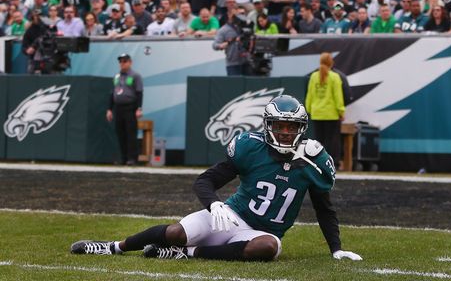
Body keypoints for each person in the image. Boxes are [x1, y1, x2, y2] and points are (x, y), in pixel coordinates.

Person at [72, 95, 362, 263]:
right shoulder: (251, 147)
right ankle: (113, 246)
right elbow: (205, 181)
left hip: (260, 233)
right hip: (230, 217)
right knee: (175, 232)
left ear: (302, 128)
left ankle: (188, 254)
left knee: (268, 249)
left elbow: (324, 208)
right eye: (280, 126)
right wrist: (214, 205)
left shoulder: (312, 160)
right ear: (268, 125)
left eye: (292, 127)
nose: (286, 132)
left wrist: (336, 248)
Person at [305, 53, 345, 169]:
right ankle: (333, 163)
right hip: (331, 113)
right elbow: (338, 96)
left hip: (317, 113)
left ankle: (318, 162)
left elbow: (310, 94)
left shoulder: (313, 76)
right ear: (331, 62)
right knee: (332, 141)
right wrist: (341, 111)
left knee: (318, 140)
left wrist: (309, 109)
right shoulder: (334, 77)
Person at [107, 54, 143, 165]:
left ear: (130, 62)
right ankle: (123, 158)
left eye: (124, 61)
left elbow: (139, 93)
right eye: (120, 61)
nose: (122, 63)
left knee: (130, 134)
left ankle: (132, 159)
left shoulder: (135, 76)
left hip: (130, 108)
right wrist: (109, 109)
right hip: (118, 108)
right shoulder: (117, 76)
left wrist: (139, 108)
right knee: (120, 133)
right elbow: (112, 93)